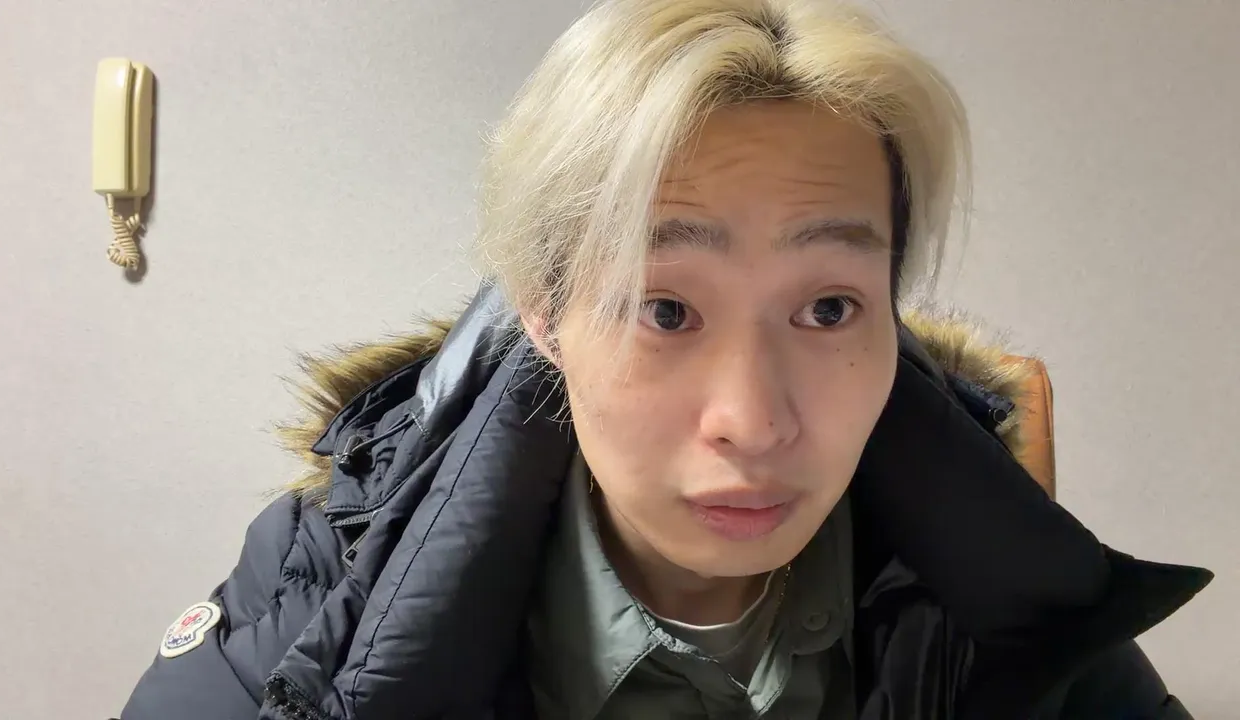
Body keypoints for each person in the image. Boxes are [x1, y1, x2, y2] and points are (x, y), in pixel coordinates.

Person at [121, 1, 1212, 718]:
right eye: (666, 309)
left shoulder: (999, 585)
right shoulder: (332, 587)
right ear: (543, 312)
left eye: (829, 308)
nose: (754, 419)